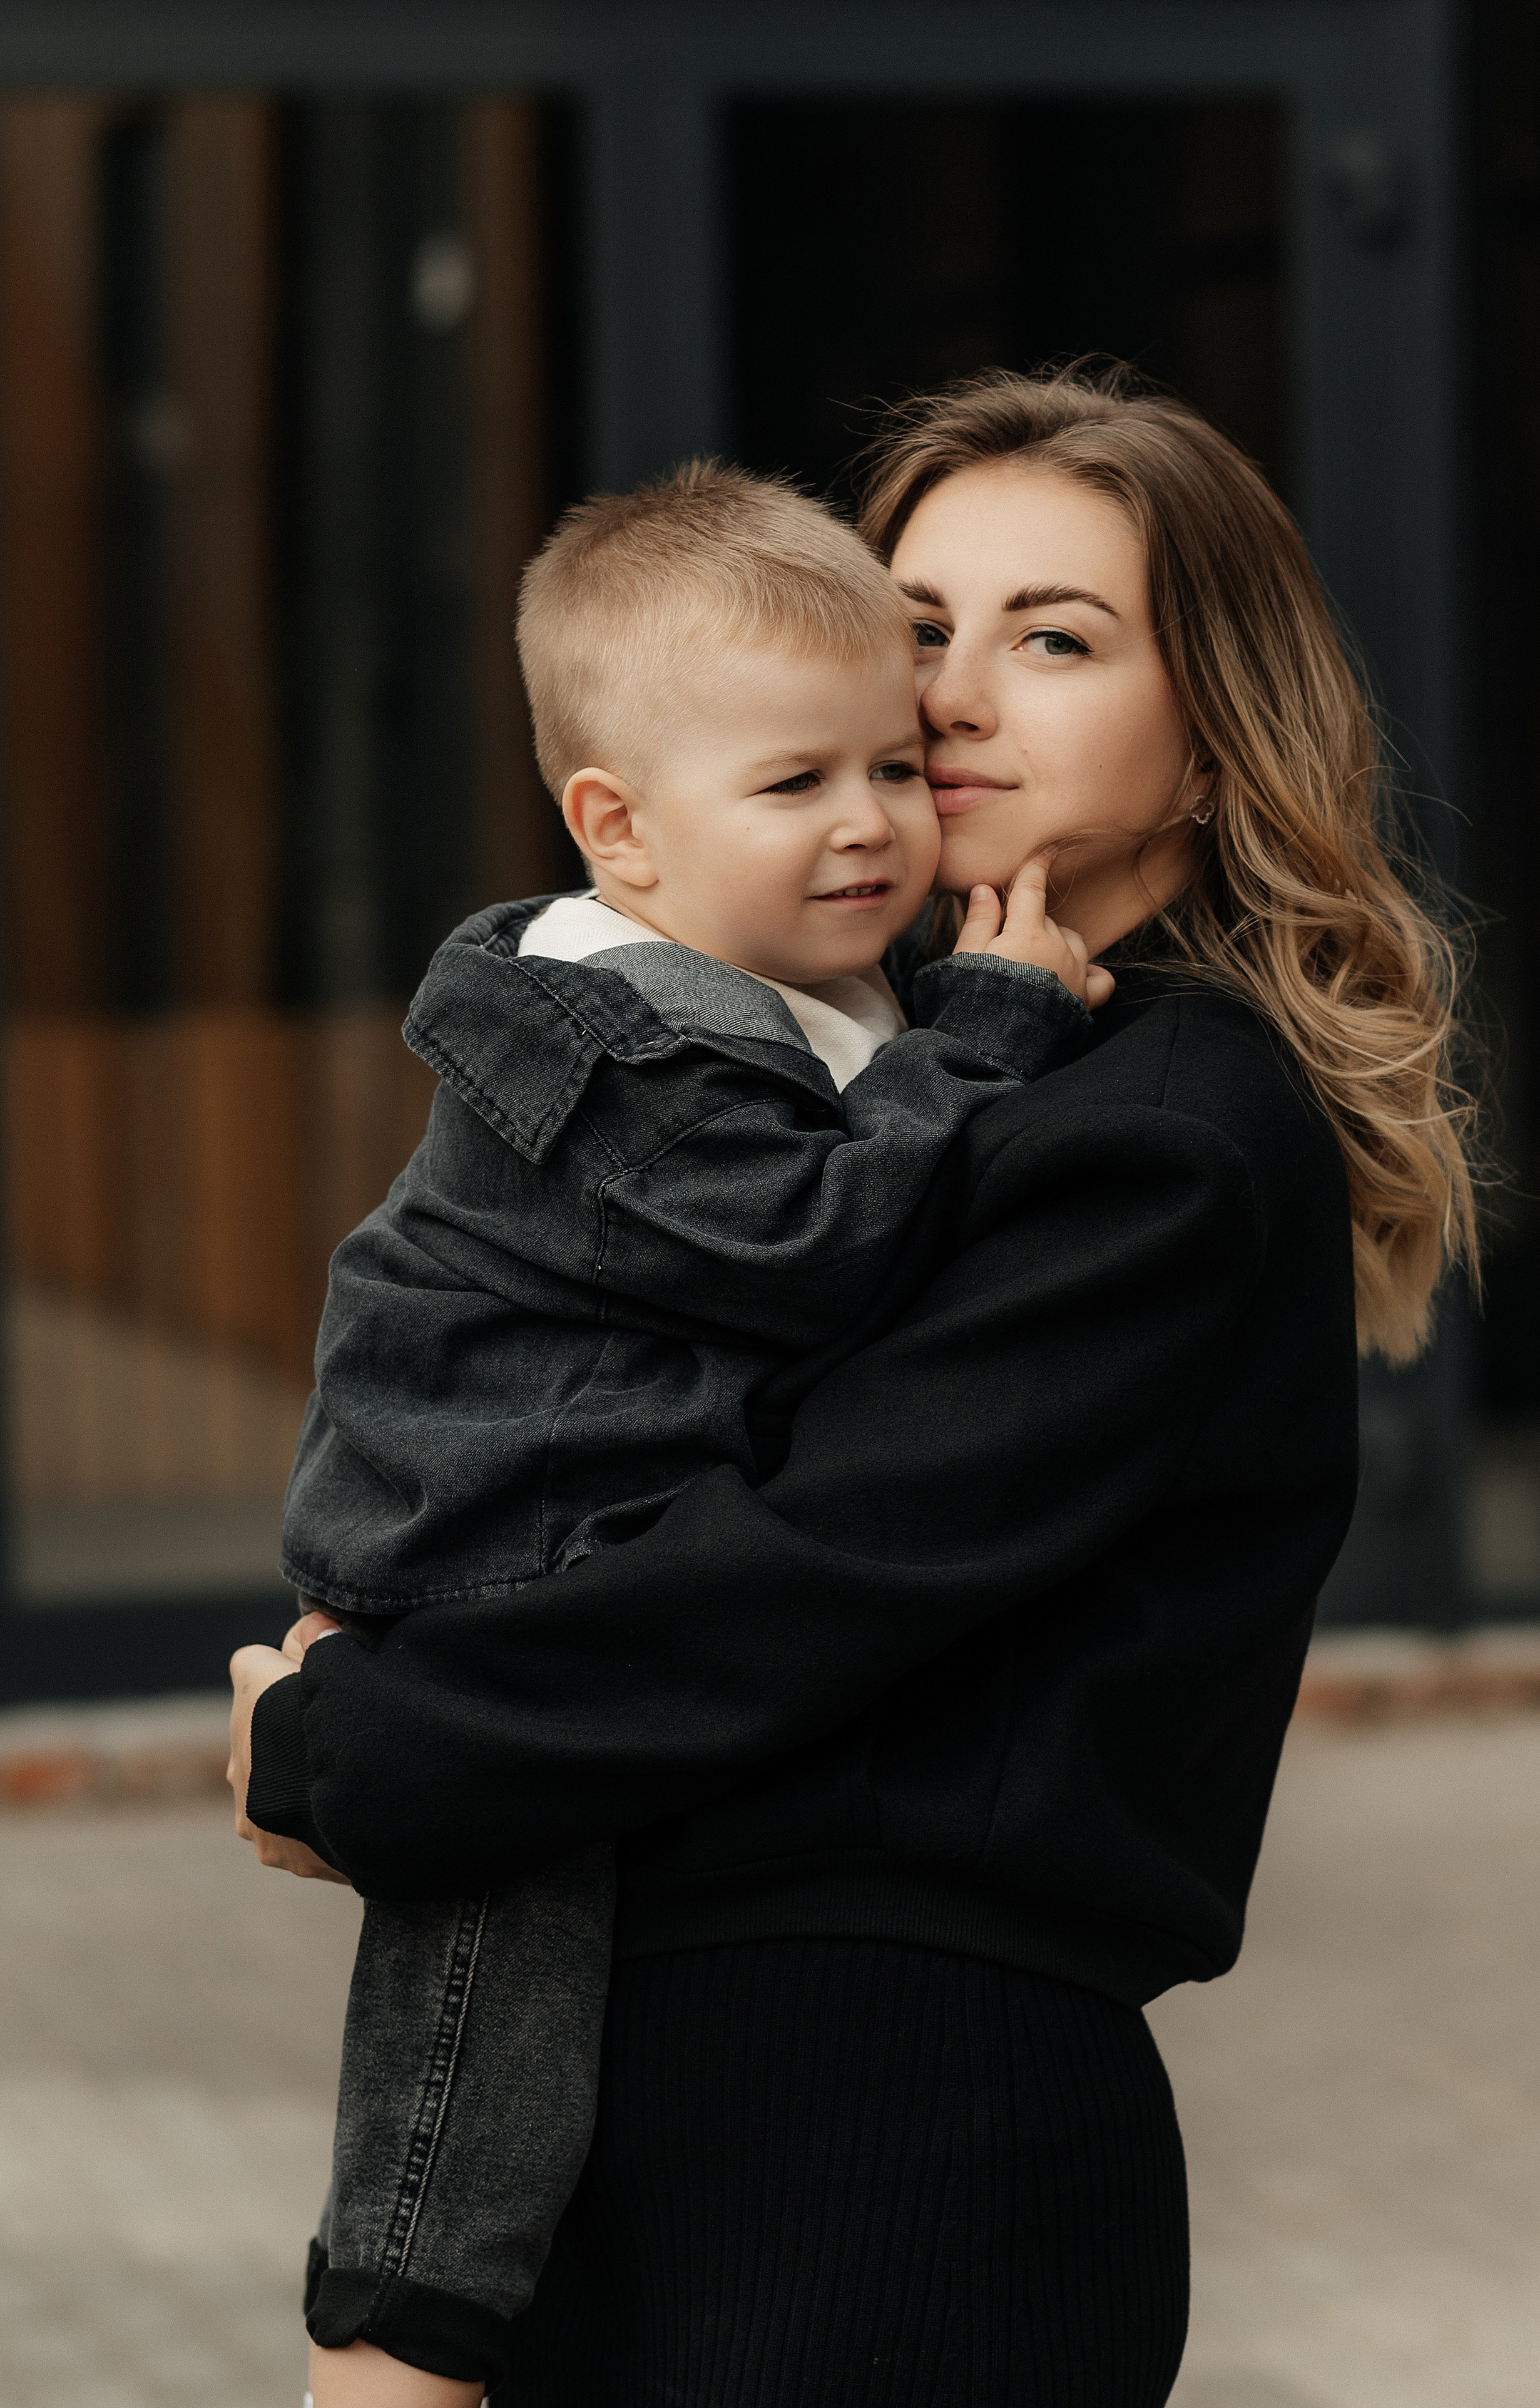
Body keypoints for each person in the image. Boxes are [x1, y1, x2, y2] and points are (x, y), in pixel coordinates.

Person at [231, 365, 1478, 2408]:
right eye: (919, 631)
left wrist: (345, 1745)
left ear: (1210, 737)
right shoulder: (887, 1062)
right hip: (721, 2089)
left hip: (893, 2121)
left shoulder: (1152, 1124)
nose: (957, 695)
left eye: (1054, 638)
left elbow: (809, 1570)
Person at [265, 459, 1105, 2405]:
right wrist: (990, 1028)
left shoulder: (799, 989)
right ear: (616, 829)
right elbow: (814, 1251)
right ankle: (394, 2341)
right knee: (493, 1951)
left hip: (603, 1500)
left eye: (893, 770)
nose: (873, 825)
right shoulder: (618, 1033)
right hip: (494, 1517)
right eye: (795, 785)